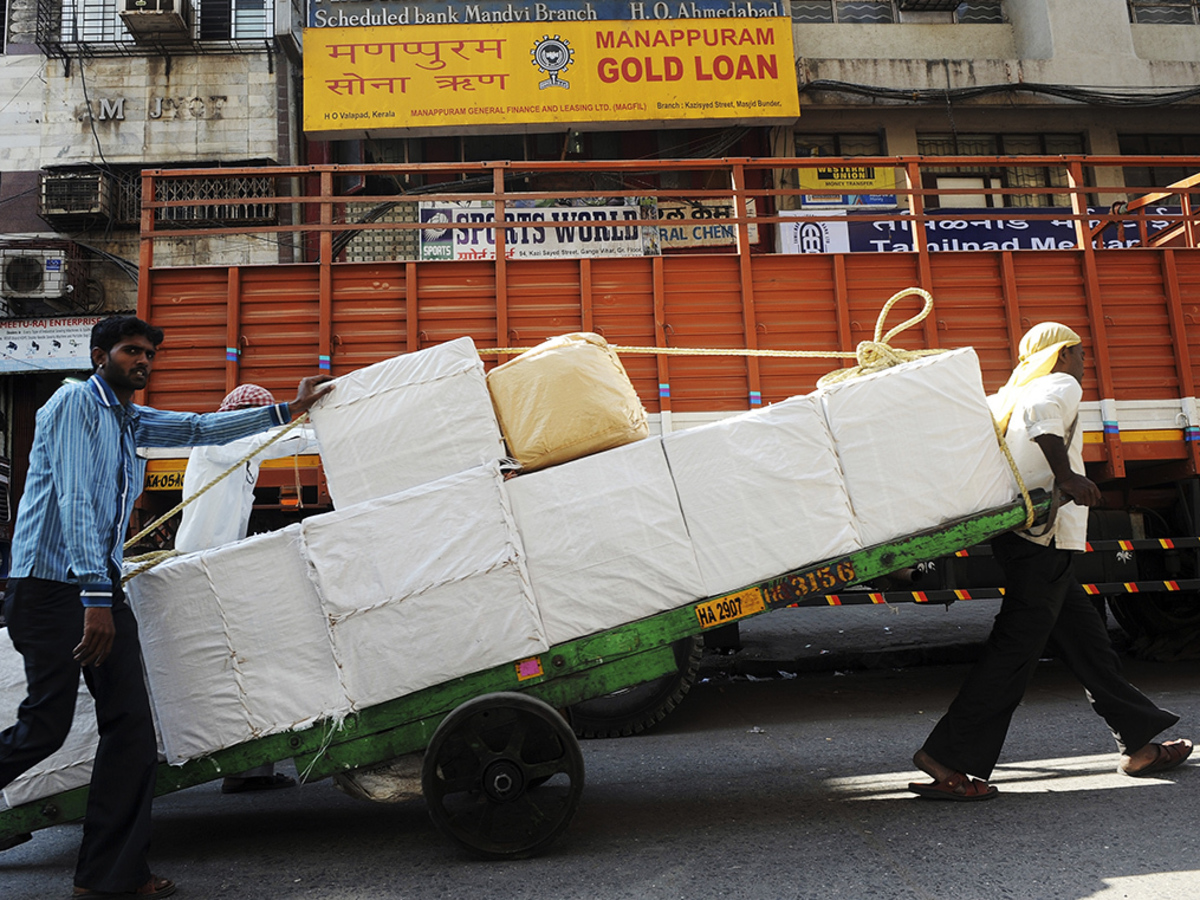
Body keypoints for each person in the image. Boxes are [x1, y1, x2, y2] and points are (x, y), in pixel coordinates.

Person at [0, 316, 332, 896]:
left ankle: (108, 876)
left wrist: (285, 412)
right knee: (43, 729)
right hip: (57, 590)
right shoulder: (77, 404)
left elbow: (202, 428)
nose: (143, 361)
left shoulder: (128, 418)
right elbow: (78, 502)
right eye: (131, 351)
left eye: (149, 353)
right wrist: (97, 601)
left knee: (130, 731)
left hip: (96, 586)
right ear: (100, 356)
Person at [909, 322, 1192, 801]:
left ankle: (1139, 742)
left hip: (1025, 538)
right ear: (1060, 355)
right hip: (1042, 540)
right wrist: (1068, 477)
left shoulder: (1008, 395)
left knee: (1088, 645)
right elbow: (1044, 419)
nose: (1085, 361)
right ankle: (949, 758)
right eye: (1080, 352)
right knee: (1014, 652)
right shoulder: (1054, 385)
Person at [175, 383, 319, 794]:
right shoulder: (218, 439)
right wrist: (323, 426)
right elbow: (274, 440)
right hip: (198, 564)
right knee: (235, 662)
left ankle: (250, 771)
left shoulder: (243, 450)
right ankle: (244, 770)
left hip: (219, 561)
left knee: (249, 660)